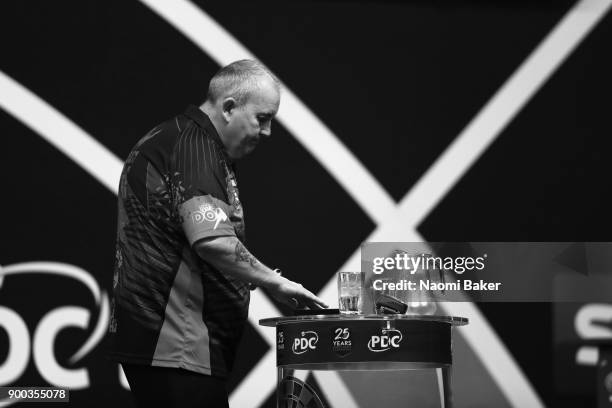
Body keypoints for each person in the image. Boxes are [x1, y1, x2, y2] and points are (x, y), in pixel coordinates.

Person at [107, 59, 328, 408]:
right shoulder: (193, 148)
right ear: (229, 108)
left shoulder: (181, 140)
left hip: (173, 346)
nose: (267, 132)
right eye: (263, 118)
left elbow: (194, 242)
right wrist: (277, 283)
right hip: (176, 345)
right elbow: (213, 242)